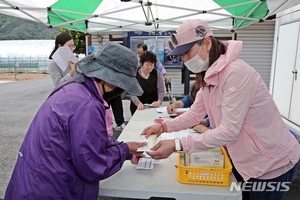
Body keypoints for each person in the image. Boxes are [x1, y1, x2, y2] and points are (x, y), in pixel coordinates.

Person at [142, 19, 300, 200]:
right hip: (245, 160)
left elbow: (229, 130)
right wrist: (164, 127)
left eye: (187, 53)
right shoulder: (209, 76)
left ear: (206, 43)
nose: (184, 59)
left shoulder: (236, 73)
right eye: (181, 55)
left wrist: (178, 144)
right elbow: (195, 113)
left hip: (272, 162)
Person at [5, 42, 147, 200]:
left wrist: (126, 148)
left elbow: (87, 142)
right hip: (52, 190)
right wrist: (123, 150)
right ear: (110, 82)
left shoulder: (73, 87)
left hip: (34, 182)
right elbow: (91, 165)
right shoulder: (88, 105)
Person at [130, 51, 164, 115]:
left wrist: (159, 101)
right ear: (141, 63)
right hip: (138, 107)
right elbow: (132, 93)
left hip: (153, 107)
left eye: (152, 65)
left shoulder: (157, 74)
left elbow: (161, 90)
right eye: (147, 64)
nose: (149, 67)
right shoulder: (134, 75)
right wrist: (138, 103)